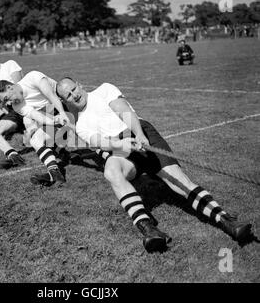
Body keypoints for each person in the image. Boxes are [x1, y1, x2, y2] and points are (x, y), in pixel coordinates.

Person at [55, 78, 252, 253]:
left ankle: (226, 220)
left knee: (179, 183)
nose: (74, 95)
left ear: (79, 84)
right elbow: (100, 142)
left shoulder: (104, 90)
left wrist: (139, 136)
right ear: (65, 102)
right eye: (68, 96)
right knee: (111, 171)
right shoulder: (81, 125)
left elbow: (124, 111)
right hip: (120, 148)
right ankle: (149, 229)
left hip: (141, 132)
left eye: (73, 89)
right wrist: (121, 145)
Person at [0, 71, 70, 185]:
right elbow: (37, 116)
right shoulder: (17, 106)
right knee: (35, 140)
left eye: (7, 98)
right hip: (54, 116)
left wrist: (62, 114)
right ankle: (55, 173)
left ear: (10, 87)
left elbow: (52, 96)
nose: (8, 103)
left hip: (67, 105)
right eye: (5, 102)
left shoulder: (33, 77)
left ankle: (62, 151)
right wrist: (54, 122)